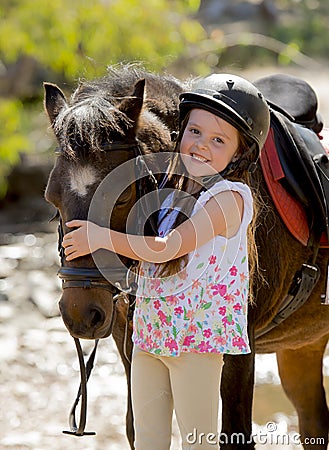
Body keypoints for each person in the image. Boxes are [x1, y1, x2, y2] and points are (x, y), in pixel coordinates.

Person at [62, 73, 270, 449]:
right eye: (195, 132)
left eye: (218, 140)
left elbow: (169, 246)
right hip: (150, 338)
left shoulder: (228, 199)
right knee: (148, 442)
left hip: (195, 344)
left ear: (239, 153)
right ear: (180, 133)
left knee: (197, 443)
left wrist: (100, 237)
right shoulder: (171, 192)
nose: (201, 146)